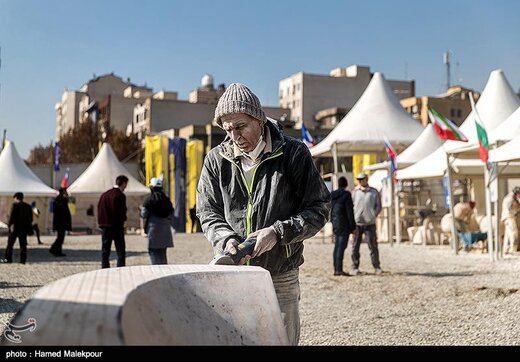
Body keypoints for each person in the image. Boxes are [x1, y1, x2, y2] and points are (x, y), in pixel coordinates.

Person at [196, 83, 330, 345]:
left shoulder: (293, 153)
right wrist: (225, 239)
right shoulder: (215, 160)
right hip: (233, 272)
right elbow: (207, 210)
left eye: (240, 126)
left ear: (259, 119)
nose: (234, 136)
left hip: (280, 273)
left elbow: (320, 208)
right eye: (227, 129)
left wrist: (278, 233)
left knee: (282, 341)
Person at [351, 172, 382, 276]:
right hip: (357, 223)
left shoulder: (374, 192)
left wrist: (374, 215)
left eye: (362, 179)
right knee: (355, 246)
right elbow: (351, 205)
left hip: (370, 223)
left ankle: (377, 266)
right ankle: (355, 267)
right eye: (359, 180)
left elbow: (378, 206)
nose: (360, 181)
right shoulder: (354, 192)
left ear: (366, 179)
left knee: (373, 246)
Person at [140, 178, 174, 265]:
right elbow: (171, 213)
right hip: (165, 229)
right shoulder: (167, 199)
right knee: (163, 253)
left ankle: (157, 272)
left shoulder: (148, 200)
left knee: (153, 252)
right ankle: (164, 272)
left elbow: (144, 214)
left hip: (153, 229)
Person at [98, 175, 129, 268]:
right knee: (120, 249)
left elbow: (99, 209)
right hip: (116, 225)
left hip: (105, 225)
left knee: (105, 249)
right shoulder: (120, 195)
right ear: (123, 183)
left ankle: (105, 267)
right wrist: (123, 221)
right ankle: (120, 267)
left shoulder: (104, 195)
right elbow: (121, 211)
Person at [330, 176, 356, 276]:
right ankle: (339, 270)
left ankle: (336, 268)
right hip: (344, 223)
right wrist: (353, 227)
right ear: (346, 184)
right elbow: (349, 212)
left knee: (337, 246)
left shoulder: (333, 195)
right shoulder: (346, 194)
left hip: (335, 222)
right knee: (341, 246)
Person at [2, 192, 33, 264]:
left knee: (10, 244)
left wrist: (9, 225)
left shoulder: (15, 205)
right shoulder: (28, 206)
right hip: (24, 229)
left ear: (16, 198)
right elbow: (31, 219)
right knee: (23, 245)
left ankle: (8, 259)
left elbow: (12, 217)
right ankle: (23, 260)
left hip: (15, 228)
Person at [49, 188, 72, 257]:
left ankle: (56, 250)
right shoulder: (60, 200)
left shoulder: (58, 200)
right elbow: (64, 203)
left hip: (60, 222)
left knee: (60, 238)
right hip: (61, 222)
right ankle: (55, 249)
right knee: (60, 238)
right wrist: (67, 196)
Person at [501, 187, 520, 254]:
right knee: (513, 232)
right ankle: (512, 249)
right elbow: (509, 208)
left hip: (507, 217)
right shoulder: (510, 198)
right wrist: (516, 212)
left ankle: (505, 249)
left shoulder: (510, 197)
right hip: (509, 217)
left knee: (508, 234)